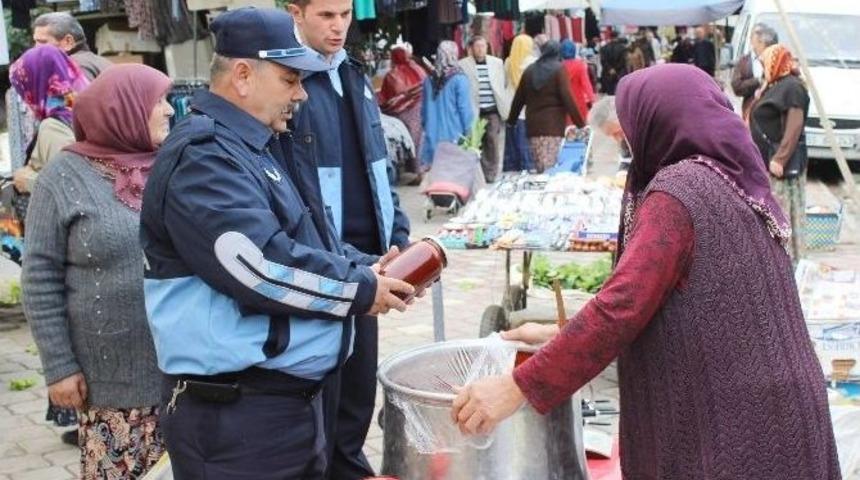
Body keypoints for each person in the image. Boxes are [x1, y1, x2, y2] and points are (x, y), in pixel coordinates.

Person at [452, 64, 840, 479]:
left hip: (734, 422)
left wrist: (518, 387)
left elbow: (621, 307)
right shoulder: (732, 176)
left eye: (630, 133)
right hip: (781, 411)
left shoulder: (678, 193)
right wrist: (558, 336)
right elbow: (679, 302)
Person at [140, 8, 414, 478]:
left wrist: (370, 266)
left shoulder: (256, 144)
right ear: (243, 76)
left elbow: (309, 239)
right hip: (235, 415)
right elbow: (258, 265)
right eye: (290, 79)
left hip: (281, 407)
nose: (302, 94)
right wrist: (361, 288)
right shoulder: (204, 157)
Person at [22, 64, 174, 479]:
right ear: (122, 109)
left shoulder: (172, 164)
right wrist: (59, 367)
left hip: (186, 373)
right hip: (111, 387)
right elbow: (39, 279)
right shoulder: (61, 179)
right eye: (156, 101)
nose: (169, 110)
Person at [284, 0, 413, 477]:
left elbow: (377, 161)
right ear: (296, 12)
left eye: (344, 14)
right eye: (326, 16)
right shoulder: (289, 81)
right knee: (326, 393)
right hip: (322, 261)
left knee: (359, 391)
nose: (338, 26)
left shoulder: (353, 74)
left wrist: (396, 227)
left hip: (371, 260)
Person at [750, 44, 810, 264]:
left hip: (780, 166)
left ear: (776, 63)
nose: (764, 67)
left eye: (766, 62)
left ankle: (790, 262)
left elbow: (794, 126)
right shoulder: (776, 84)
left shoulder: (792, 87)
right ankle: (779, 259)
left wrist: (780, 159)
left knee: (784, 213)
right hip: (767, 163)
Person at [9, 44, 89, 197]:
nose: (26, 99)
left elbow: (73, 188)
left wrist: (27, 180)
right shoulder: (89, 108)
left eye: (25, 89)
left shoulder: (54, 126)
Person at [508, 41, 585, 172]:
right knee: (550, 167)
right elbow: (568, 97)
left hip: (533, 126)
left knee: (540, 165)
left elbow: (518, 98)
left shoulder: (529, 70)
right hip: (553, 126)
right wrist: (580, 123)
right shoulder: (559, 70)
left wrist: (512, 120)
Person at [459, 35, 510, 183]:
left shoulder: (497, 63)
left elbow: (503, 84)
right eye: (477, 46)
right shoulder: (463, 65)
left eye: (483, 46)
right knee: (475, 142)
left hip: (492, 109)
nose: (481, 49)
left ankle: (491, 173)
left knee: (492, 141)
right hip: (474, 110)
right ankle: (478, 174)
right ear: (471, 48)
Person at [420, 40, 474, 168]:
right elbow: (465, 110)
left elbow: (423, 112)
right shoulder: (459, 79)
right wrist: (470, 133)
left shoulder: (429, 80)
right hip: (454, 138)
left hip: (432, 138)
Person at [379, 44, 428, 175]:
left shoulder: (392, 75)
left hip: (403, 113)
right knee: (420, 139)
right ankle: (421, 170)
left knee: (408, 140)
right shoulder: (418, 69)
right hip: (421, 109)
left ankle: (415, 170)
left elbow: (387, 97)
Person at [32, 12, 113, 81]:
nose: (36, 48)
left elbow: (80, 99)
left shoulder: (72, 67)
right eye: (35, 42)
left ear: (68, 41)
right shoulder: (101, 61)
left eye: (43, 42)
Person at [503, 33, 536, 172]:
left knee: (512, 139)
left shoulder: (508, 62)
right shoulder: (533, 62)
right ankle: (528, 165)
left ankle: (512, 165)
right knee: (526, 137)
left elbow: (504, 83)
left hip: (511, 105)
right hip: (528, 106)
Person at [732, 23, 778, 121]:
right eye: (756, 38)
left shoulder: (777, 62)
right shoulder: (744, 61)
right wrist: (757, 81)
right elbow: (736, 87)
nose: (754, 41)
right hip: (750, 114)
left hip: (772, 114)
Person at [559, 39, 595, 123]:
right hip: (578, 102)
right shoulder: (580, 65)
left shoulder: (558, 67)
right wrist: (592, 100)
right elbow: (586, 84)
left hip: (563, 102)